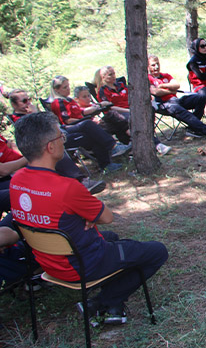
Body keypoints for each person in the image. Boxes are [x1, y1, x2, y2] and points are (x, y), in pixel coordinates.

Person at [10, 112, 168, 325]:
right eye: (61, 137)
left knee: (111, 237)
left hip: (48, 261)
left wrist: (81, 216)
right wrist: (88, 215)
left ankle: (113, 303)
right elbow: (107, 217)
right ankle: (100, 302)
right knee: (157, 252)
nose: (63, 141)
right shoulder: (66, 187)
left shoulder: (17, 180)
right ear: (50, 147)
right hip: (81, 265)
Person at [6, 89, 106, 195]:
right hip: (51, 141)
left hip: (60, 132)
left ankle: (109, 158)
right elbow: (40, 134)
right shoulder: (18, 120)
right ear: (14, 104)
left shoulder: (30, 113)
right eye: (24, 101)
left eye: (29, 99)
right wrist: (35, 114)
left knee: (87, 125)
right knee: (57, 147)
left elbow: (52, 121)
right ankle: (82, 181)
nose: (29, 103)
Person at [48, 76, 126, 174]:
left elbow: (81, 111)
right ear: (56, 90)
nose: (68, 89)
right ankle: (113, 147)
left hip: (80, 124)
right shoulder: (58, 102)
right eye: (64, 87)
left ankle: (106, 165)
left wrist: (97, 107)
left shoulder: (69, 100)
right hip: (69, 129)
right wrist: (84, 121)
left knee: (99, 127)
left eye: (68, 86)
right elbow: (67, 120)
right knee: (89, 125)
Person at [95, 67, 171, 156]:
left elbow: (133, 96)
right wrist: (129, 110)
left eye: (114, 73)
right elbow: (110, 108)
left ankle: (147, 139)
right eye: (110, 74)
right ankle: (157, 144)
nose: (113, 76)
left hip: (133, 109)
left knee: (149, 110)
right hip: (118, 114)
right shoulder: (103, 91)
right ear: (103, 77)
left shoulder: (121, 85)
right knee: (132, 119)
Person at [148, 55, 206, 143]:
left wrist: (163, 86)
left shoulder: (165, 75)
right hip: (164, 105)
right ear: (148, 66)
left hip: (176, 100)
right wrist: (171, 91)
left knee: (200, 97)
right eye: (153, 65)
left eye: (158, 64)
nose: (156, 67)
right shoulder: (147, 79)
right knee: (183, 112)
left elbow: (176, 85)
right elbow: (156, 92)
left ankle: (193, 129)